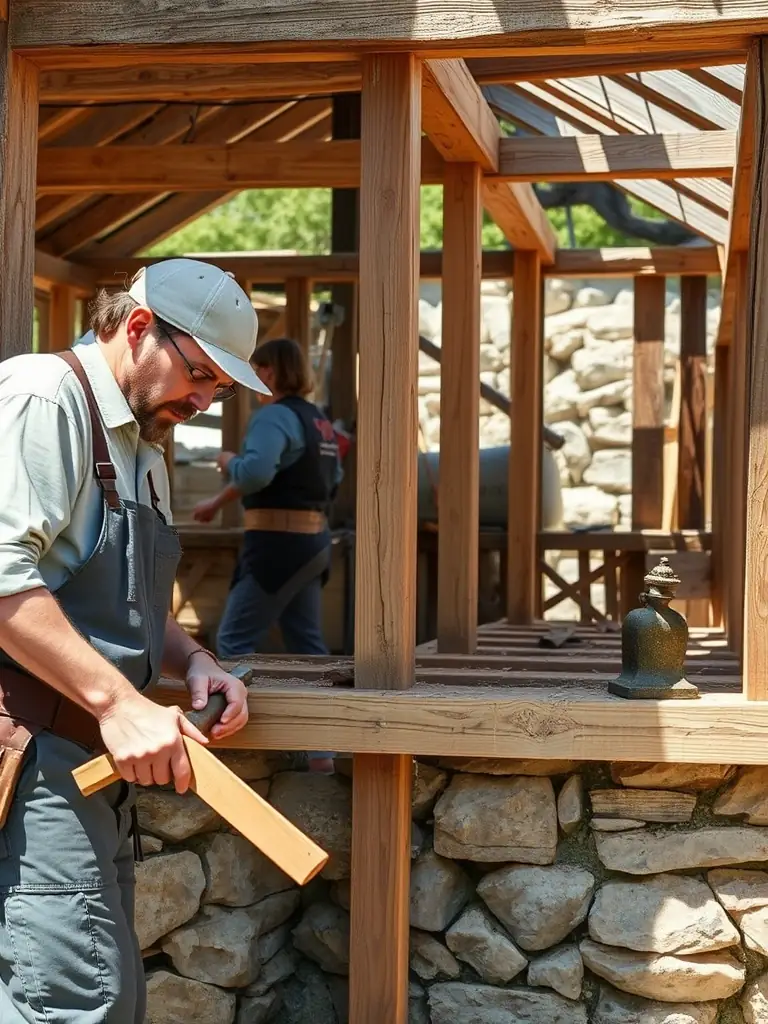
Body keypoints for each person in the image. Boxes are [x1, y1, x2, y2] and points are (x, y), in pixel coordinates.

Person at [0, 258, 271, 1023]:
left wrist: (198, 663)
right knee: (75, 1003)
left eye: (220, 386)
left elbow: (133, 604)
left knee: (98, 994)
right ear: (140, 327)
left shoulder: (145, 440)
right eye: (200, 375)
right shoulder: (45, 395)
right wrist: (121, 704)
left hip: (93, 760)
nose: (207, 398)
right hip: (31, 755)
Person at [192, 337, 341, 773]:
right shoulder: (318, 422)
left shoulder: (273, 415)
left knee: (233, 641)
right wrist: (219, 503)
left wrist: (228, 461)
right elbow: (332, 476)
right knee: (308, 649)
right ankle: (322, 754)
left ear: (271, 372)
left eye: (256, 369)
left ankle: (236, 746)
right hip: (312, 543)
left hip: (276, 546)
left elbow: (257, 471)